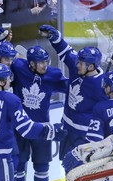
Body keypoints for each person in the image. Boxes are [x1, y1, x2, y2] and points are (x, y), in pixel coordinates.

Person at [3, 45, 68, 181]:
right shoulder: (18, 67)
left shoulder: (52, 74)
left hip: (42, 128)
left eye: (46, 61)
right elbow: (4, 61)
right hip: (20, 128)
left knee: (42, 164)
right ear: (31, 63)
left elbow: (70, 87)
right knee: (19, 164)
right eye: (40, 63)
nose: (44, 65)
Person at [39, 24, 108, 161]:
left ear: (91, 66)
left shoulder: (101, 85)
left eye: (81, 63)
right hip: (67, 129)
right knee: (66, 165)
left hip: (85, 135)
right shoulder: (78, 66)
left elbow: (106, 111)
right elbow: (65, 51)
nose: (77, 65)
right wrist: (55, 36)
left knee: (84, 170)